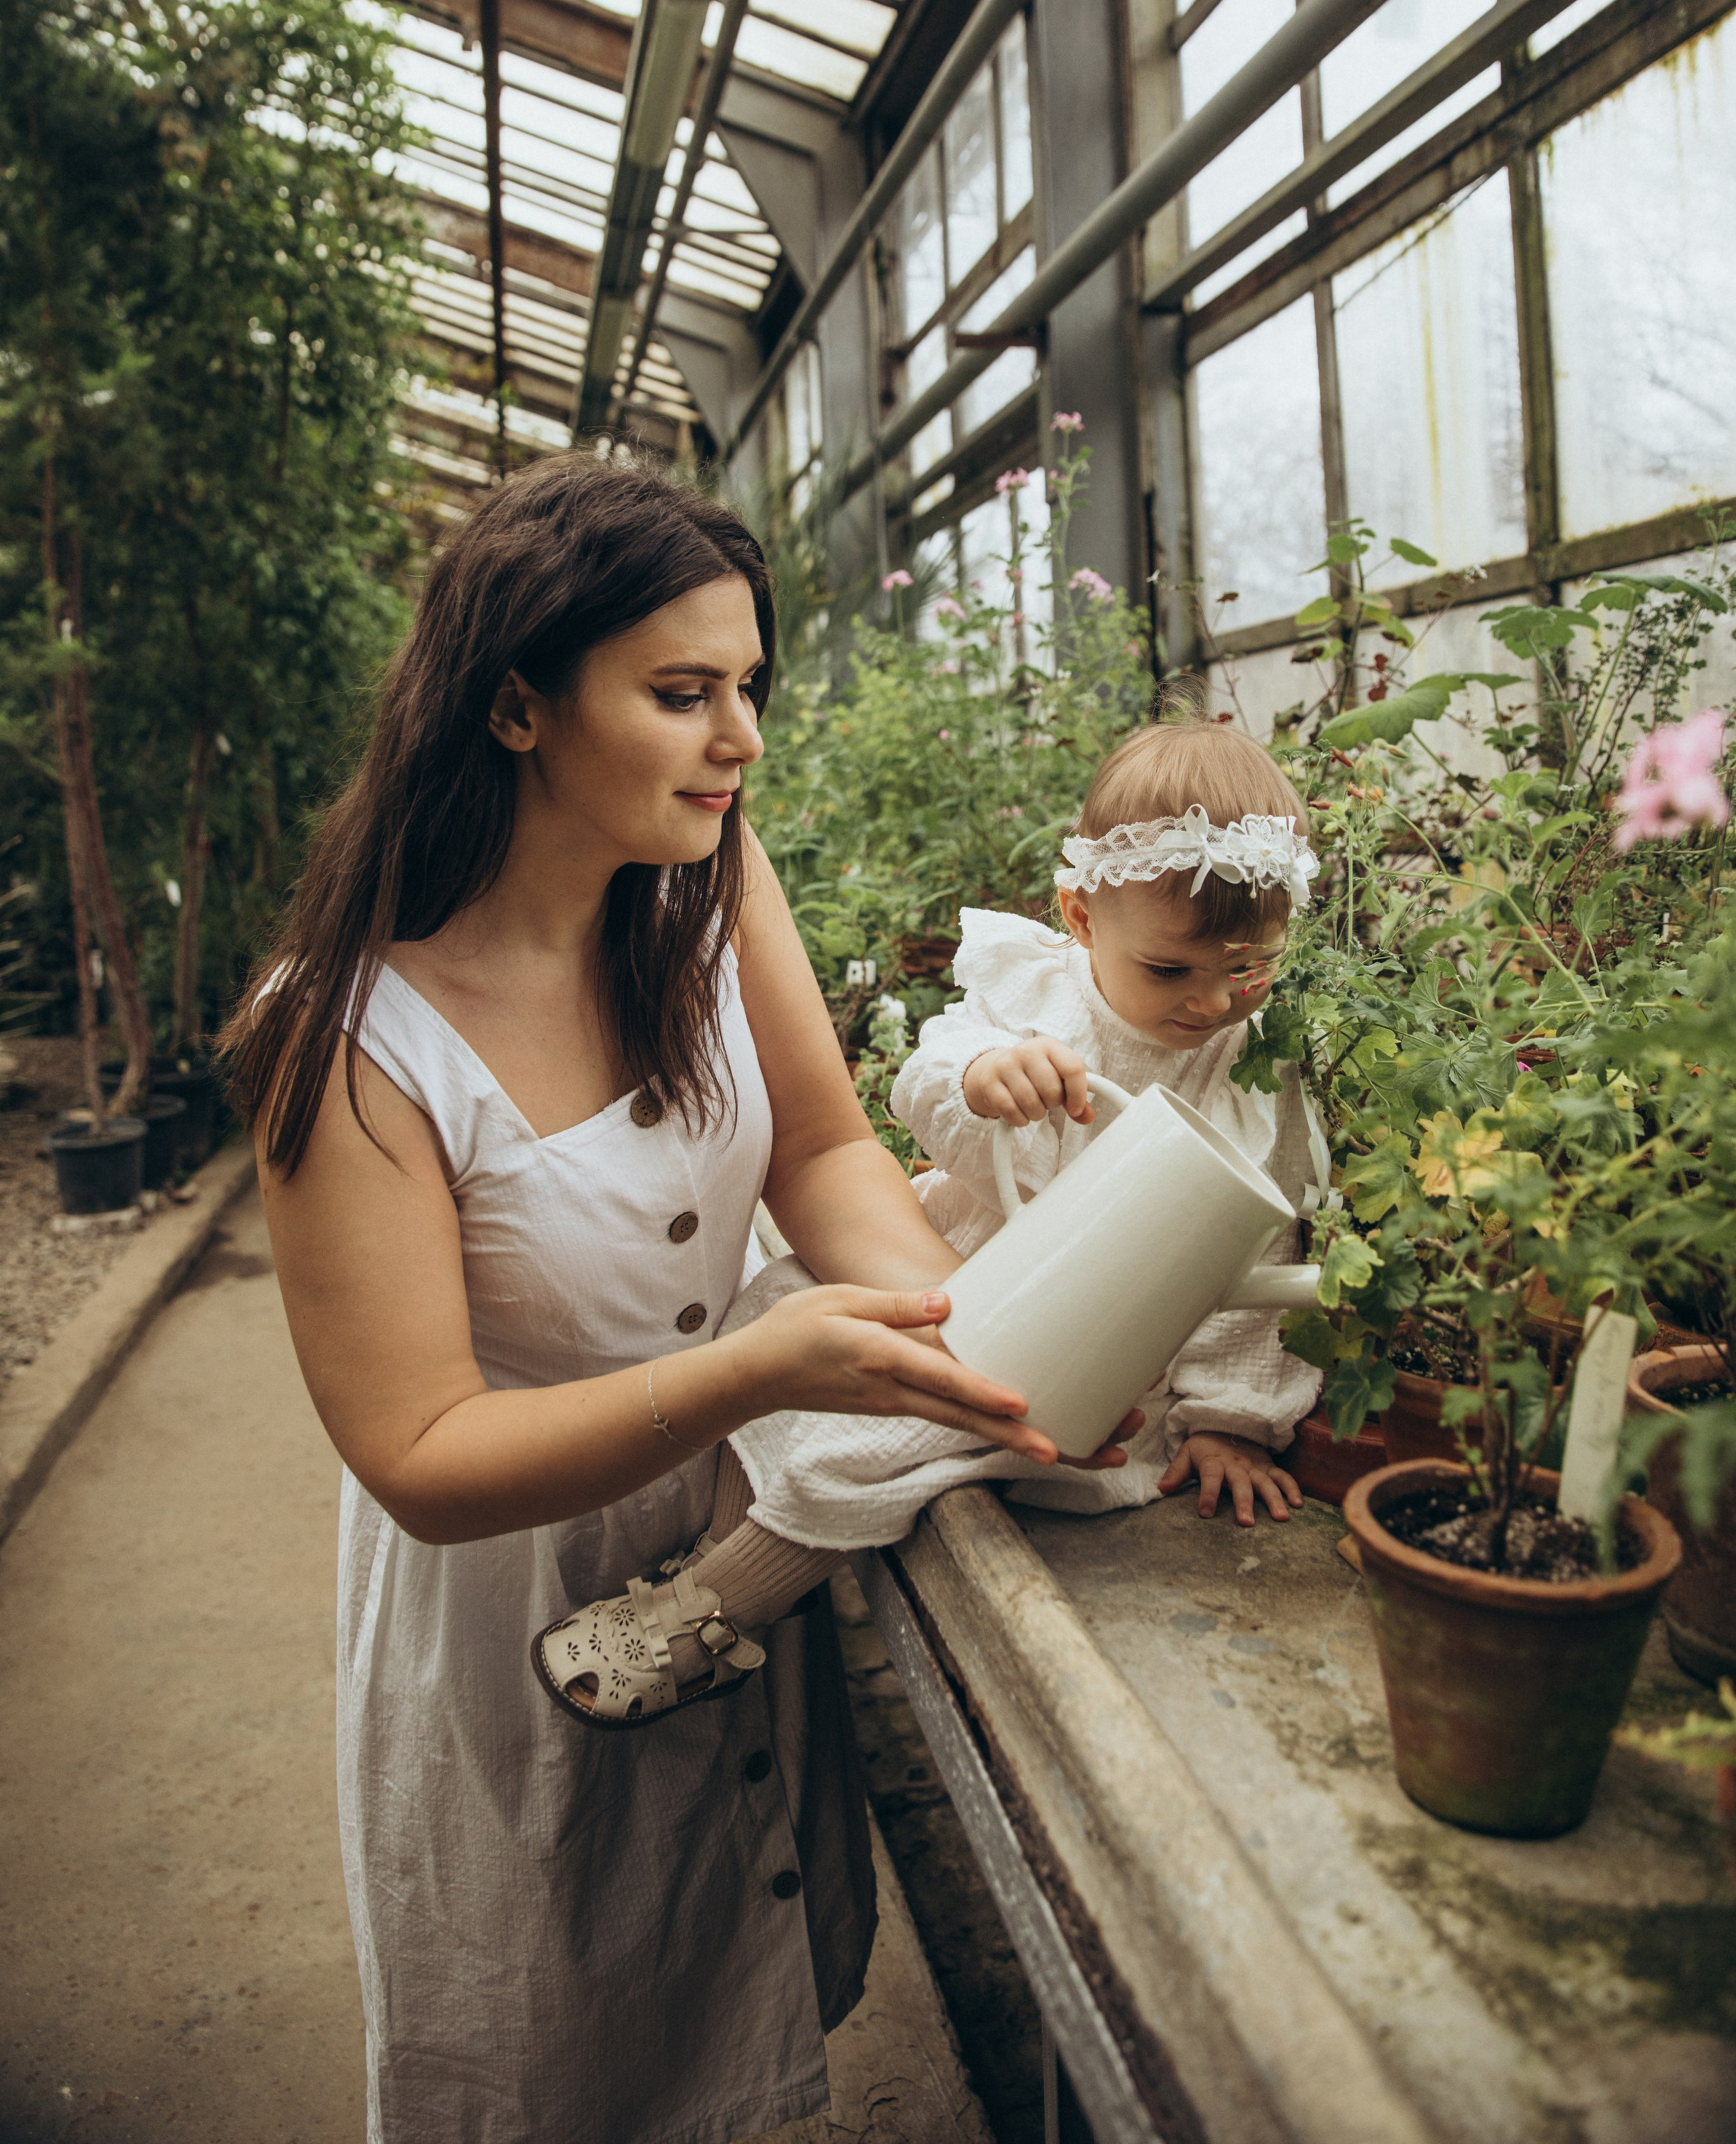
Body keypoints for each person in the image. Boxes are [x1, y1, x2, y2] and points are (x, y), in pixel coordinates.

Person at [220, 458, 1134, 2144]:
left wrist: (982, 1340)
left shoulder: (701, 876)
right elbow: (420, 1456)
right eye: (682, 693)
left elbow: (820, 1147)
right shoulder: (348, 1036)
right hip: (518, 1615)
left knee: (735, 2007)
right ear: (515, 705)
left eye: (750, 688)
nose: (743, 740)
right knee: (561, 2053)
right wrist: (753, 1371)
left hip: (724, 1565)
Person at [544, 720, 1325, 1723]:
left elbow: (1258, 1239)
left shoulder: (1253, 1063)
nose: (1213, 1002)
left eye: (1250, 970)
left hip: (1089, 1335)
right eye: (1172, 971)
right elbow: (922, 1082)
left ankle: (722, 1610)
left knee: (880, 1443)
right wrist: (981, 1078)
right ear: (1081, 916)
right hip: (952, 1260)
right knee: (785, 1304)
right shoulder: (1039, 992)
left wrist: (1227, 1419)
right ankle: (713, 1552)